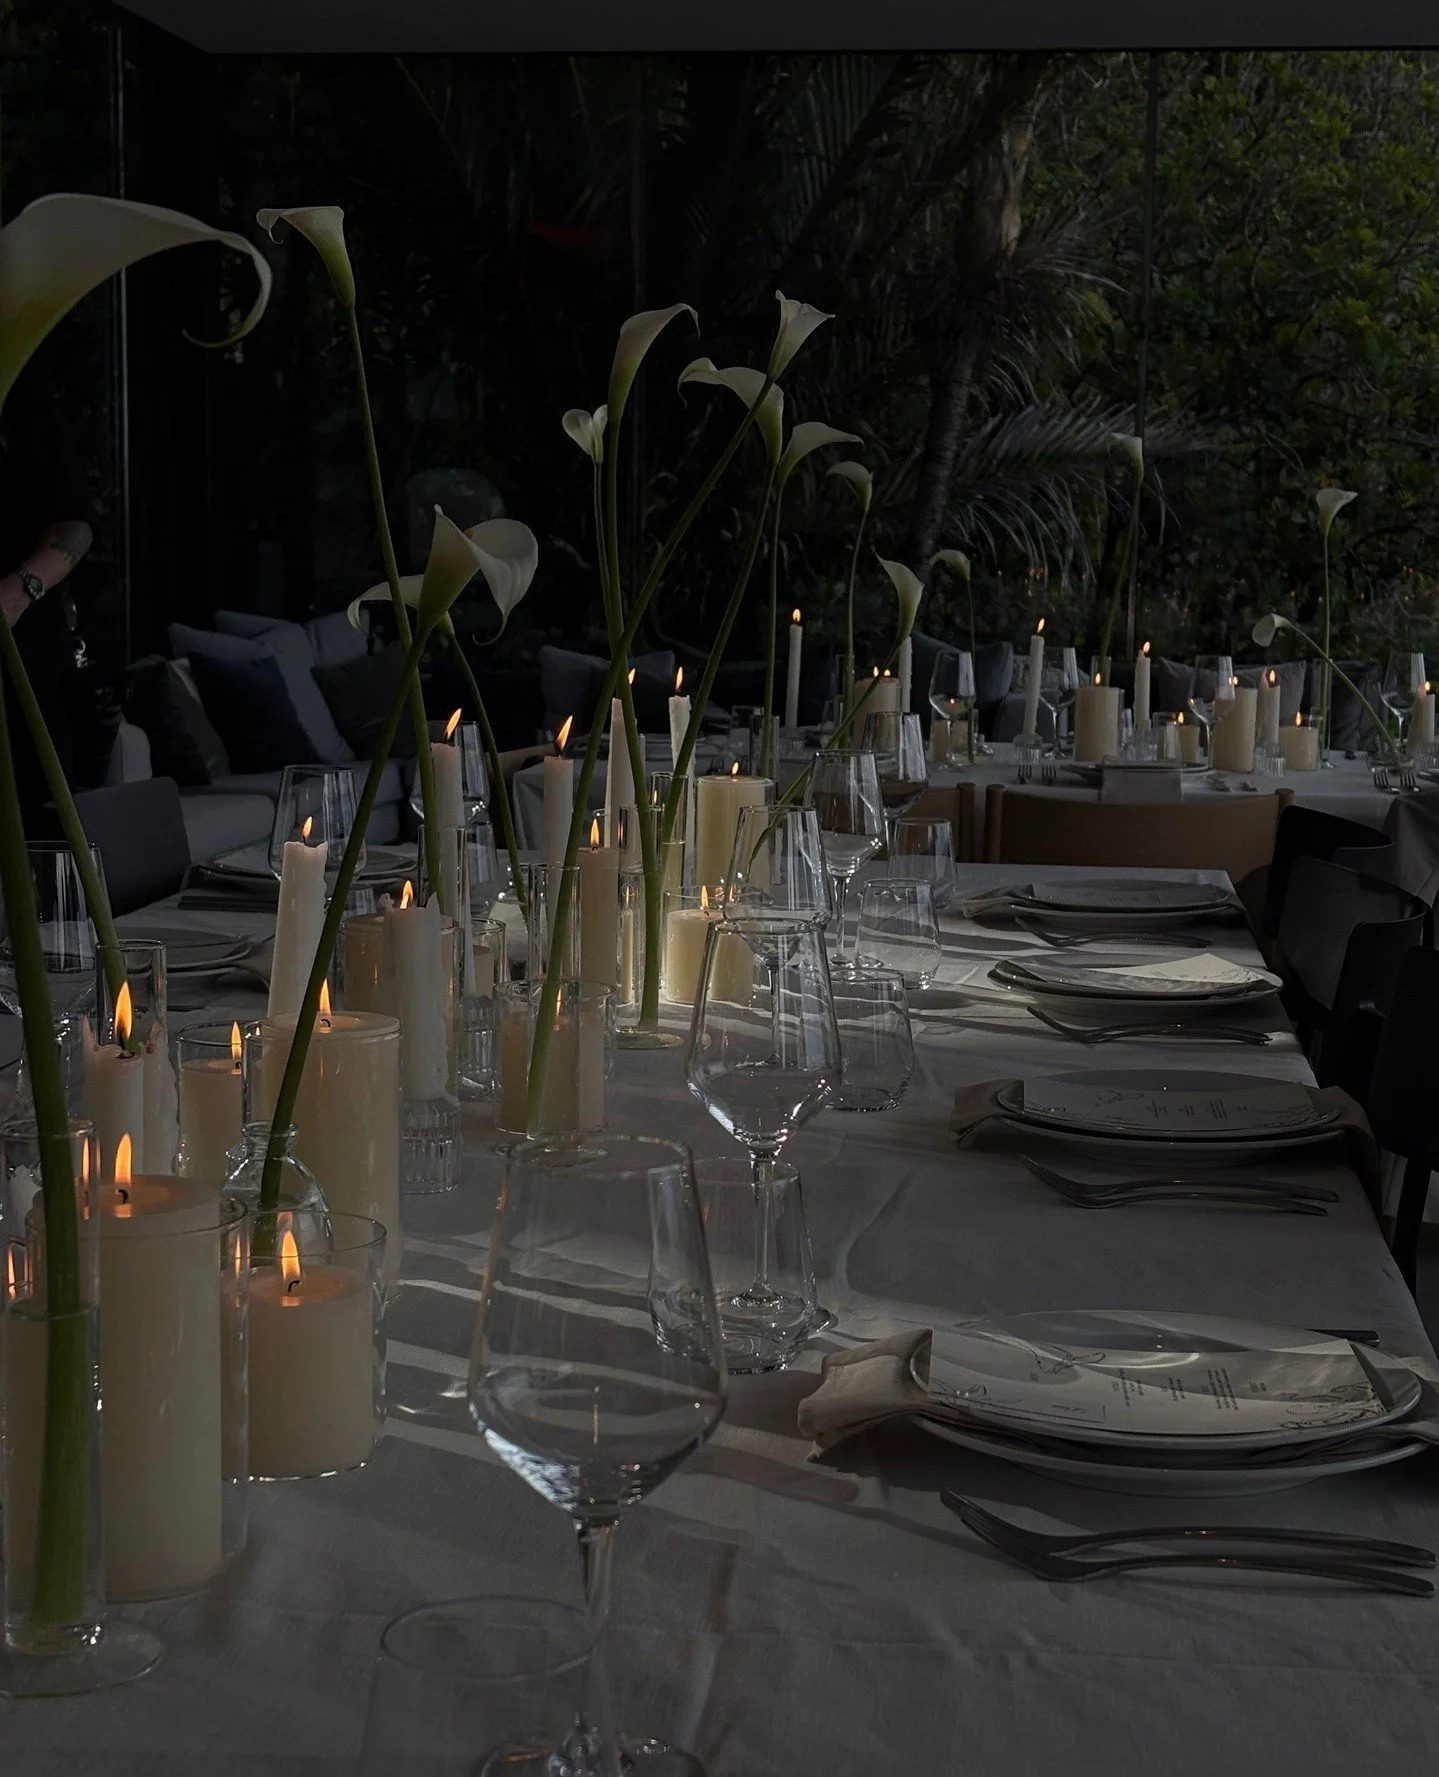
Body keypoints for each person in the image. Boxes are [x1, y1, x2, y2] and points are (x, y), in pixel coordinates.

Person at [0, 368, 96, 816]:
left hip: (22, 665)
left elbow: (75, 524)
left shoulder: (18, 388)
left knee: (42, 831)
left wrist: (19, 592)